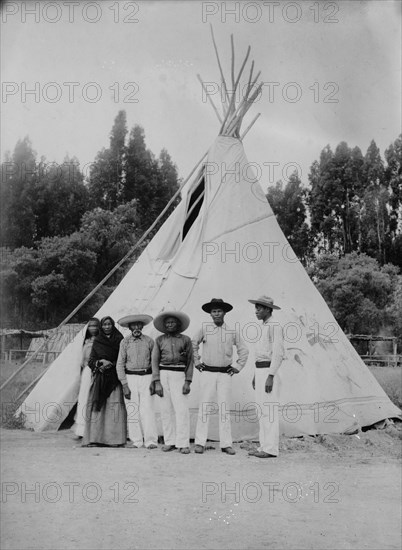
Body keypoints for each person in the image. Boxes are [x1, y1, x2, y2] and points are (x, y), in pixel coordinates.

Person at [192, 298, 249, 455]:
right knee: (205, 406)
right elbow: (193, 344)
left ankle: (226, 444)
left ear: (224, 313)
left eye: (219, 311)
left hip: (225, 373)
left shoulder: (231, 331)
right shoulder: (204, 329)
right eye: (213, 311)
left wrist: (237, 367)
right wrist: (197, 361)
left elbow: (244, 349)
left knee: (224, 408)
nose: (216, 314)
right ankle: (200, 442)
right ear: (210, 314)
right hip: (208, 373)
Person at [151, 311, 193, 454]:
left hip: (179, 375)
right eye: (167, 323)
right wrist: (157, 381)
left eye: (172, 322)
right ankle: (170, 441)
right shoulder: (159, 340)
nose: (170, 325)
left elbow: (190, 362)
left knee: (181, 410)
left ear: (178, 324)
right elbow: (155, 362)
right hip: (163, 375)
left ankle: (183, 443)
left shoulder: (185, 340)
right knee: (165, 410)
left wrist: (188, 381)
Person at [247, 295, 284, 458]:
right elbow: (260, 354)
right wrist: (256, 375)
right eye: (256, 308)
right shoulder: (263, 326)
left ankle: (271, 449)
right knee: (261, 410)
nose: (256, 311)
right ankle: (263, 446)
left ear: (268, 310)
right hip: (260, 370)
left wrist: (270, 376)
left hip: (270, 371)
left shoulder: (275, 326)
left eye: (259, 308)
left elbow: (278, 353)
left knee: (269, 411)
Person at [82, 316, 127, 447]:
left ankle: (114, 440)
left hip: (114, 378)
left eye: (109, 324)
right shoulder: (97, 341)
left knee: (114, 408)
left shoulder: (120, 340)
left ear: (112, 325)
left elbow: (123, 358)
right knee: (98, 408)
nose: (106, 327)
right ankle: (96, 438)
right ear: (101, 327)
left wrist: (111, 363)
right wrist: (99, 363)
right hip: (100, 378)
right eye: (104, 324)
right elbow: (91, 361)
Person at [116, 312, 158, 449]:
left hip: (146, 377)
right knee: (132, 409)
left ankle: (151, 440)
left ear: (142, 326)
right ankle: (136, 441)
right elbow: (120, 364)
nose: (136, 328)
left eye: (139, 325)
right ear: (129, 327)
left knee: (147, 409)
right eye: (133, 325)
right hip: (130, 377)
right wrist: (124, 384)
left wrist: (154, 380)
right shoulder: (125, 342)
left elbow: (154, 362)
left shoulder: (150, 341)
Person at [73, 317, 100, 440]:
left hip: (97, 370)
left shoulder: (101, 340)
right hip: (87, 371)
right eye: (90, 326)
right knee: (83, 398)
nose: (93, 328)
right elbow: (81, 360)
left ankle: (95, 430)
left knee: (95, 399)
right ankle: (81, 430)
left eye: (95, 326)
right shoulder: (85, 341)